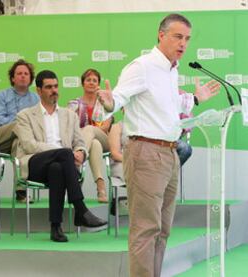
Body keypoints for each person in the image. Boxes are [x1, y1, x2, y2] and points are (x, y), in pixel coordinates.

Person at [98, 14, 220, 276]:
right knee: (145, 229)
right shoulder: (142, 66)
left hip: (169, 152)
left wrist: (196, 99)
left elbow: (170, 107)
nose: (183, 43)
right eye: (178, 36)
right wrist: (109, 103)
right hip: (146, 152)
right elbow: (116, 98)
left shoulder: (171, 70)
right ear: (160, 35)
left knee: (162, 230)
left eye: (187, 38)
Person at [13, 70, 107, 243]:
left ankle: (55, 227)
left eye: (56, 86)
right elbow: (29, 145)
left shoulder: (69, 115)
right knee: (63, 153)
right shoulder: (24, 115)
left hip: (61, 165)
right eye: (48, 87)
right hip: (35, 163)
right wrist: (64, 152)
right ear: (39, 91)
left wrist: (80, 152)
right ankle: (80, 209)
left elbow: (79, 142)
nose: (54, 90)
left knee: (57, 168)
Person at [0, 59, 39, 203]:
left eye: (26, 74)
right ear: (13, 78)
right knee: (20, 127)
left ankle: (20, 190)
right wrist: (20, 123)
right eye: (19, 73)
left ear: (30, 78)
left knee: (19, 142)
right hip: (1, 138)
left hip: (21, 142)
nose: (23, 76)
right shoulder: (2, 95)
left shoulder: (36, 98)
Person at [68, 69, 114, 203]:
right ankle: (101, 187)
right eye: (88, 80)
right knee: (94, 144)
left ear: (98, 84)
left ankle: (77, 162)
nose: (91, 83)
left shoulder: (104, 103)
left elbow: (105, 126)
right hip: (88, 142)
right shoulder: (73, 104)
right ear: (83, 83)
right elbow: (70, 126)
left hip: (104, 139)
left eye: (95, 80)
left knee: (90, 130)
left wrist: (88, 130)